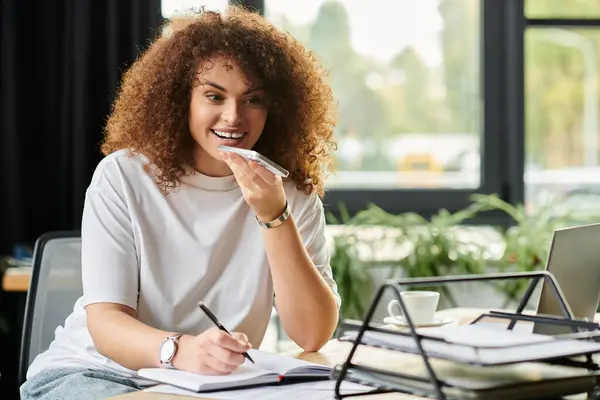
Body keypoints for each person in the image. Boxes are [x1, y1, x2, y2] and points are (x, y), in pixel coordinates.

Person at [20, 5, 340, 399]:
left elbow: (312, 334)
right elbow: (105, 324)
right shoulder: (124, 176)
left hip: (209, 387)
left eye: (252, 99)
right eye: (213, 96)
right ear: (181, 99)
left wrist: (274, 216)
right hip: (94, 374)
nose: (233, 116)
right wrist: (180, 350)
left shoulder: (288, 193)